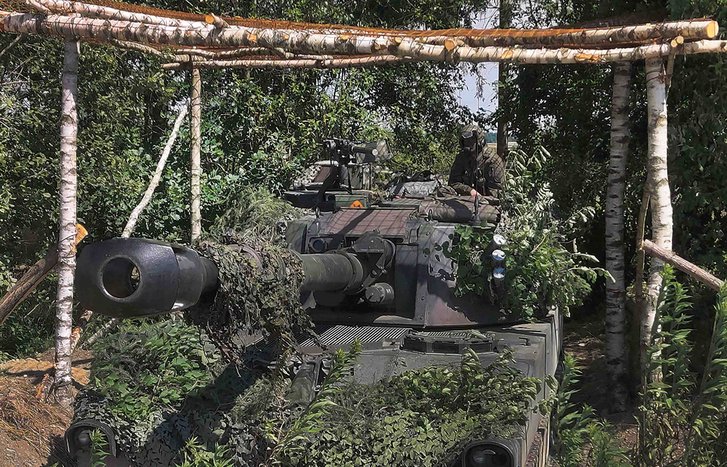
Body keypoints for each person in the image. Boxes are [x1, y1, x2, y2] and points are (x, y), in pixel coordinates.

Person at [448, 123, 505, 199]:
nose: (468, 142)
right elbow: (453, 182)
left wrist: (479, 198)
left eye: (471, 139)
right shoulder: (462, 157)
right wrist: (470, 191)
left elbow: (496, 194)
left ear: (479, 141)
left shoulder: (492, 160)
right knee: (443, 191)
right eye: (465, 140)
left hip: (486, 202)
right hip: (465, 199)